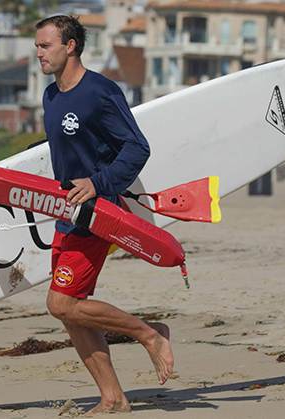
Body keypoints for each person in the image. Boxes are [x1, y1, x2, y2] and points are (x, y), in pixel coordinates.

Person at [34, 15, 174, 414]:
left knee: (61, 303)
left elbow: (136, 148)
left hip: (97, 212)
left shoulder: (100, 91)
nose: (39, 53)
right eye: (38, 47)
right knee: (73, 312)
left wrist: (98, 183)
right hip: (66, 212)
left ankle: (150, 334)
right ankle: (113, 398)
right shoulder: (50, 96)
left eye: (46, 46)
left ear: (70, 46)